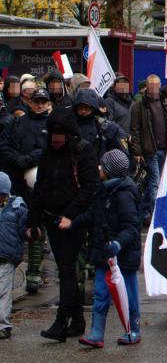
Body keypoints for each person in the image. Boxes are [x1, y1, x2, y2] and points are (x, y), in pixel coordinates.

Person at [28, 107, 98, 342]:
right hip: (50, 217)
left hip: (73, 221)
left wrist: (70, 215)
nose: (56, 140)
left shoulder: (83, 151)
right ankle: (77, 320)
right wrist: (34, 221)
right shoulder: (48, 152)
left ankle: (62, 320)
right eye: (53, 135)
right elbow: (40, 187)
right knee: (65, 269)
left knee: (67, 269)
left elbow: (90, 188)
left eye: (60, 136)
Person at [74, 149, 141, 348]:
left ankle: (133, 328)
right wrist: (72, 222)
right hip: (104, 255)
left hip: (123, 257)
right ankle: (96, 332)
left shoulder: (125, 194)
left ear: (110, 171)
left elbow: (131, 226)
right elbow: (92, 215)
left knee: (127, 295)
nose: (99, 169)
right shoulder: (103, 190)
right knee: (100, 293)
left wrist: (118, 244)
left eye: (102, 166)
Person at [0, 87, 51, 293]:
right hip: (19, 181)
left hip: (43, 183)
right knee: (18, 225)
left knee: (37, 226)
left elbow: (51, 149)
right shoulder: (17, 123)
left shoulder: (52, 124)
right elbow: (4, 146)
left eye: (43, 101)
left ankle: (34, 271)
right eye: (36, 101)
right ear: (30, 102)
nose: (39, 105)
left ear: (48, 103)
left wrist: (31, 159)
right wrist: (18, 160)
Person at [130, 75, 167, 222]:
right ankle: (158, 216)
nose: (154, 88)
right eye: (152, 85)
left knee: (153, 182)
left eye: (157, 85)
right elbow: (135, 129)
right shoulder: (139, 106)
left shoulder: (165, 104)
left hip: (164, 147)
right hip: (150, 149)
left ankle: (140, 213)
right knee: (155, 182)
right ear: (147, 87)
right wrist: (137, 151)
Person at [0, 171, 27, 340]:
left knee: (3, 292)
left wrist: (32, 233)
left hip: (6, 257)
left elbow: (25, 229)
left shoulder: (17, 207)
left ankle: (3, 325)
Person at [73, 89, 128, 159]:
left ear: (93, 108)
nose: (83, 111)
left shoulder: (104, 125)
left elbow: (121, 140)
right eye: (80, 108)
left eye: (86, 107)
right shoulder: (72, 126)